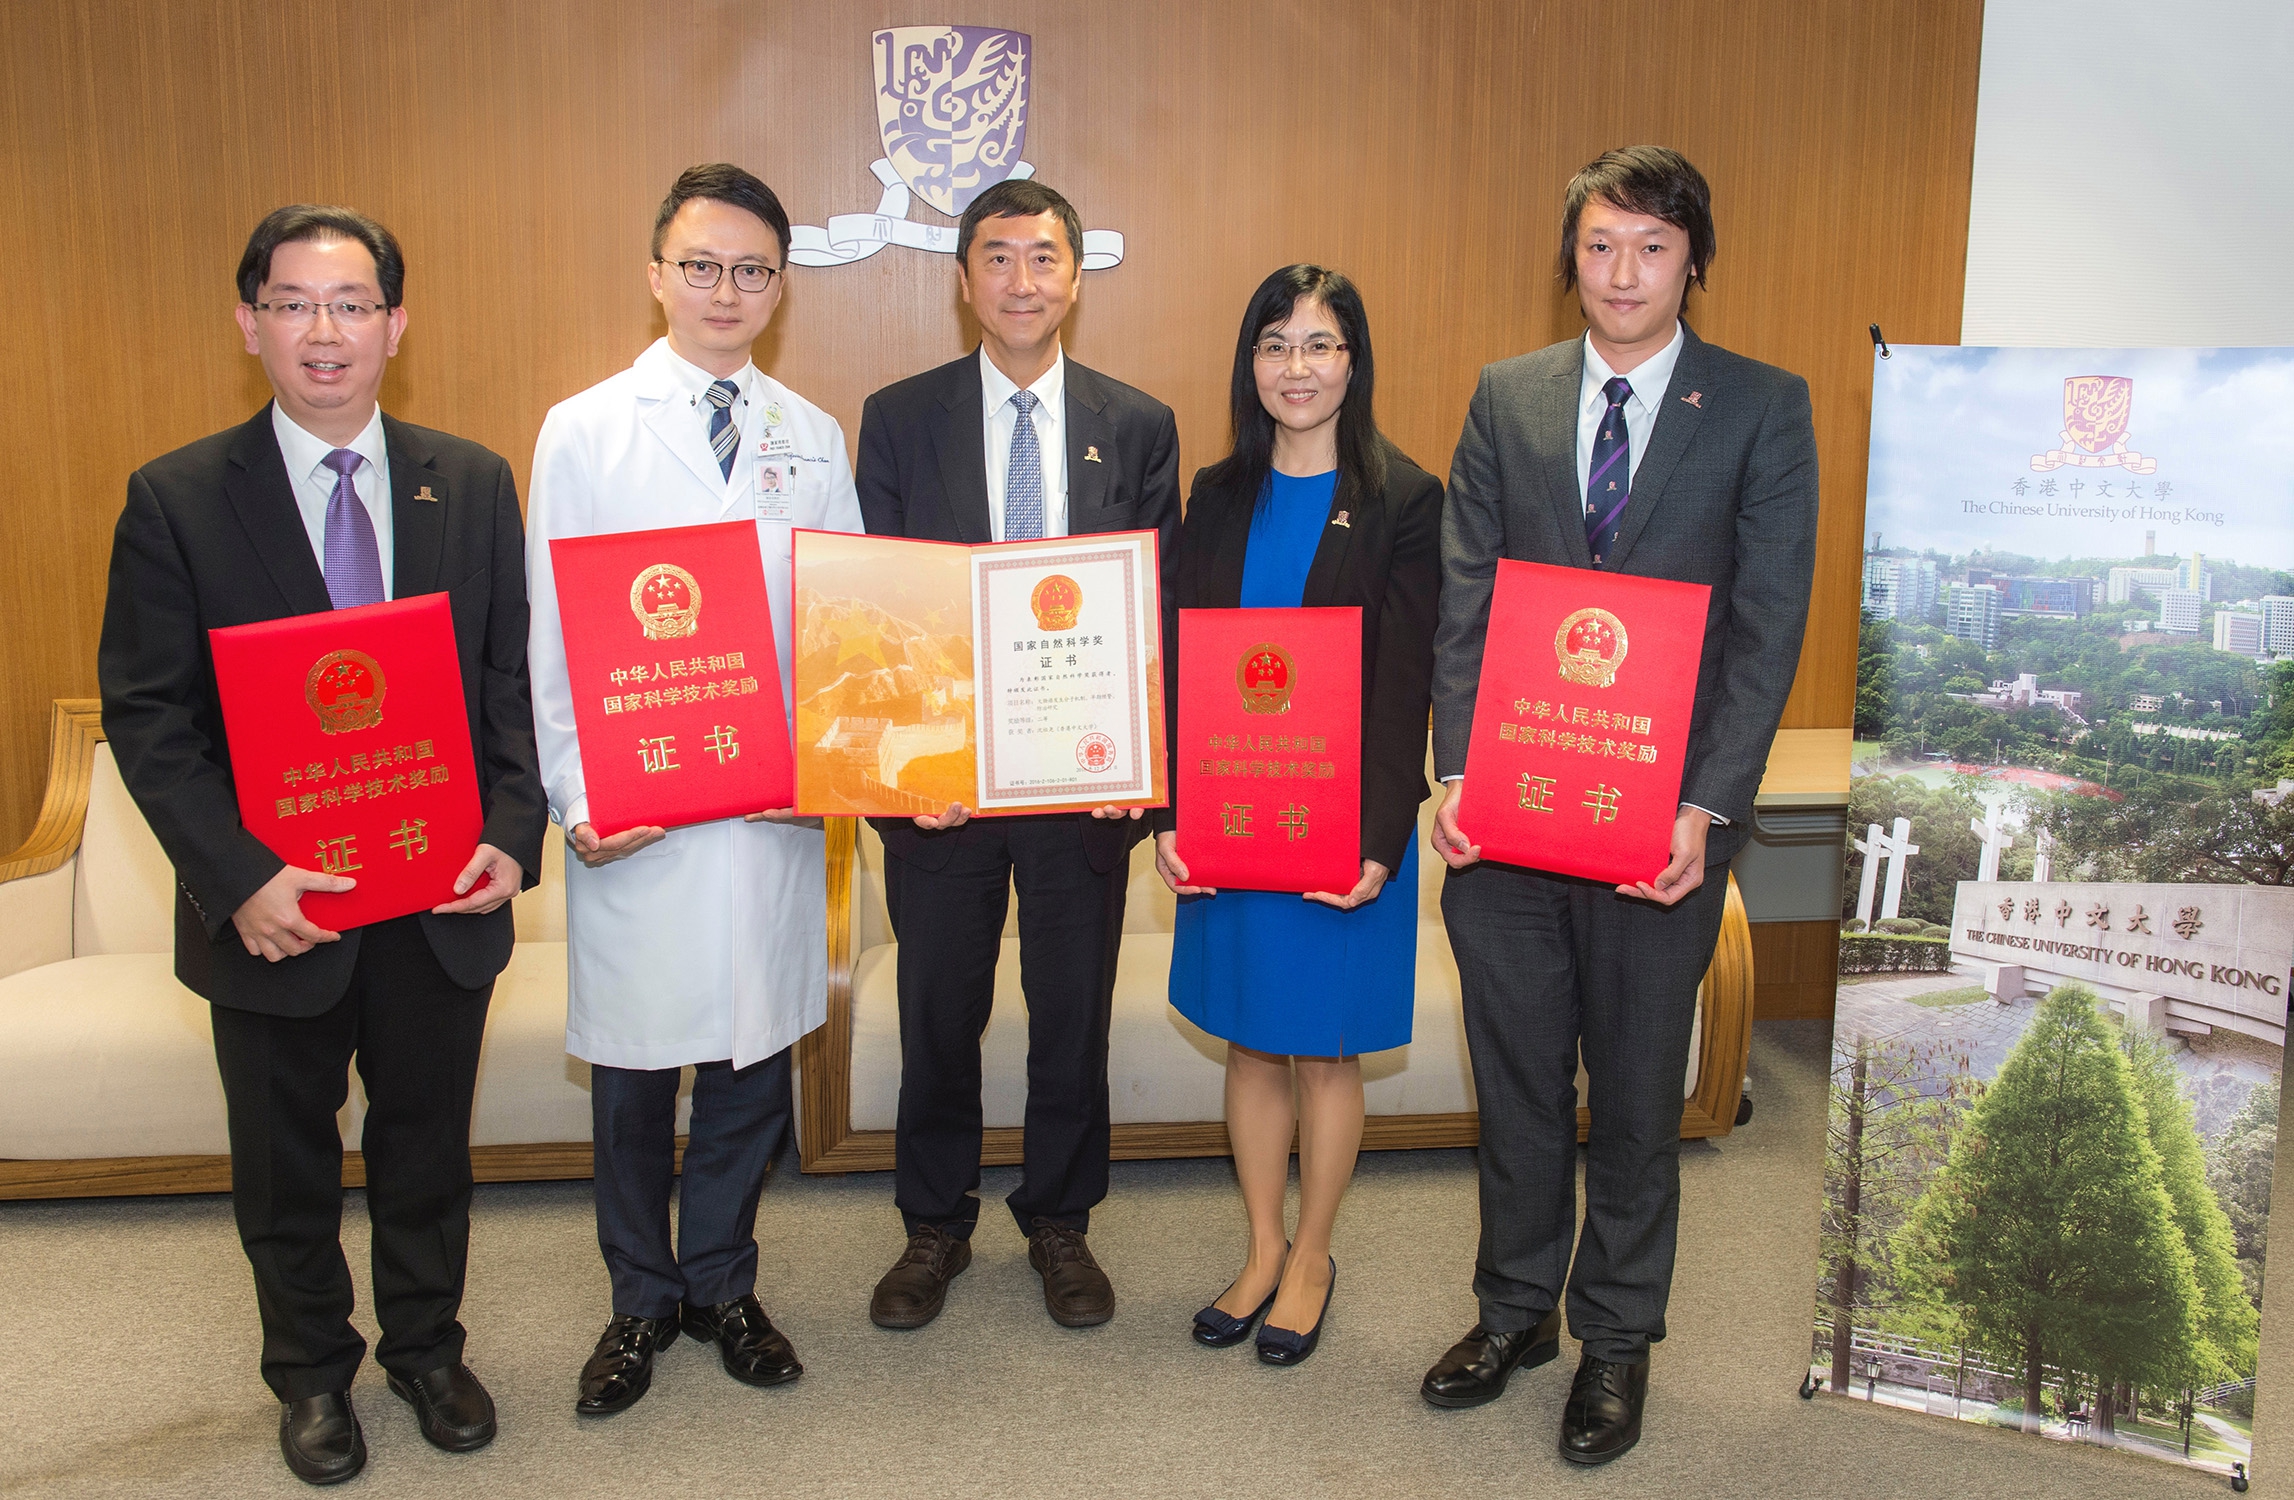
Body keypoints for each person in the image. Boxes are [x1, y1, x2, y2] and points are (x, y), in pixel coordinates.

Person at [97, 205, 546, 1484]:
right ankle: (308, 1376)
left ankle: (426, 1348)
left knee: (425, 1145)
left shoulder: (466, 479)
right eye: (294, 304)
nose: (325, 332)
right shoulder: (177, 498)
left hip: (432, 890)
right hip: (276, 908)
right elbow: (149, 714)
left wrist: (513, 833)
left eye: (352, 304)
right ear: (250, 324)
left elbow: (505, 680)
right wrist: (238, 878)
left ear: (397, 325)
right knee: (285, 1162)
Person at [1422, 147, 1816, 1463]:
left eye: (1650, 248)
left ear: (1691, 259)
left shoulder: (1760, 407)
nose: (1622, 275)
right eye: (1599, 248)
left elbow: (1765, 627)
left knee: (1639, 1100)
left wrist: (1709, 803)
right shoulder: (1508, 396)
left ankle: (1616, 1343)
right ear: (1570, 259)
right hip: (1517, 816)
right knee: (1520, 1085)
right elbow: (1466, 590)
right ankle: (1515, 1311)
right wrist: (1458, 774)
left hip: (1664, 837)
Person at [525, 164, 863, 1415]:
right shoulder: (586, 426)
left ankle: (722, 1279)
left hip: (768, 817)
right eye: (703, 265)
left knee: (747, 1065)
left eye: (754, 270)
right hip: (643, 811)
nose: (728, 290)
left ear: (781, 286)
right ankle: (638, 1301)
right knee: (631, 1071)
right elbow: (552, 632)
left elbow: (840, 630)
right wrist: (576, 798)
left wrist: (828, 770)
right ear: (655, 272)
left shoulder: (809, 434)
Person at [854, 177, 1181, 1330]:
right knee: (938, 1009)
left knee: (1071, 1011)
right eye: (996, 258)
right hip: (943, 788)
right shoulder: (897, 417)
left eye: (1041, 258)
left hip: (1079, 783)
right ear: (963, 280)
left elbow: (1155, 613)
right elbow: (878, 614)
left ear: (1075, 276)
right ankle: (933, 1224)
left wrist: (1136, 770)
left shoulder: (1136, 423)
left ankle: (1058, 1218)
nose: (1020, 280)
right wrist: (903, 776)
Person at [1152, 266, 1440, 1365]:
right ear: (1250, 363)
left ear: (1352, 363)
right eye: (1275, 344)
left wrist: (1377, 839)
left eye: (1320, 345)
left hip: (1342, 831)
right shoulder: (1216, 494)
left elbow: (1404, 680)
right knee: (1250, 1042)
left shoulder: (1407, 501)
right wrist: (1175, 814)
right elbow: (1181, 669)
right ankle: (1261, 1245)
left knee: (1323, 1052)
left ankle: (1313, 1253)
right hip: (1230, 821)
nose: (1297, 367)